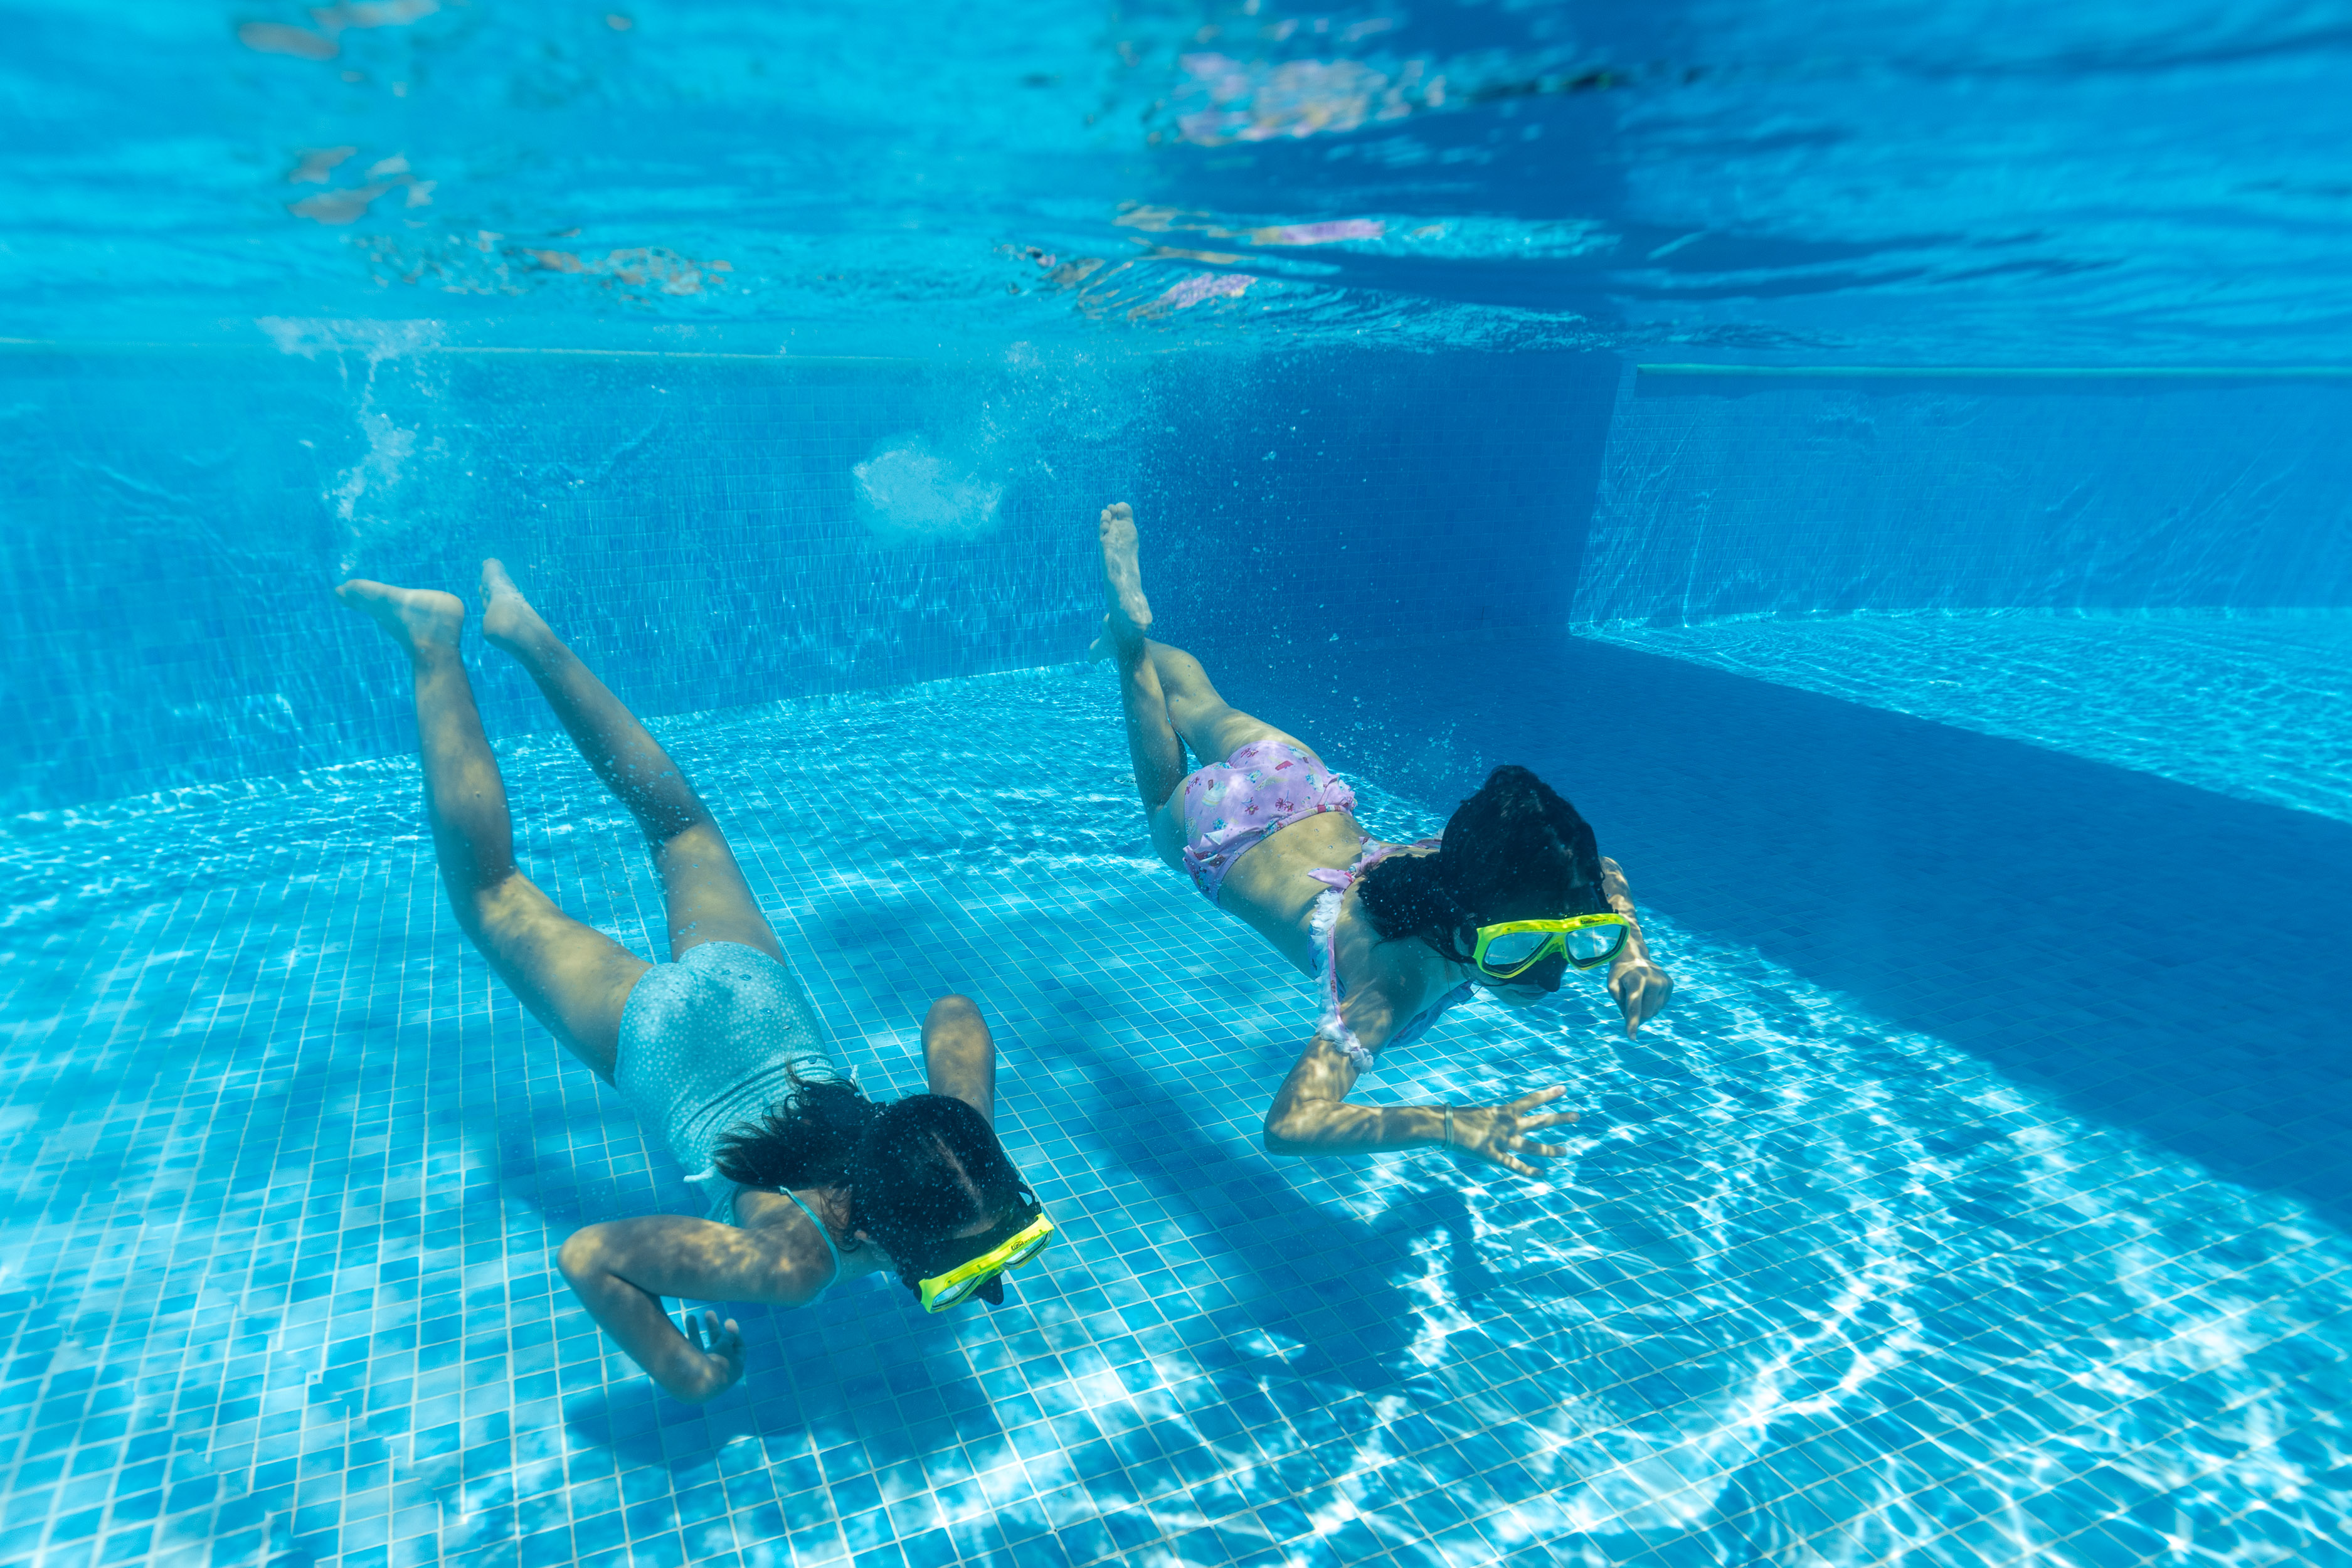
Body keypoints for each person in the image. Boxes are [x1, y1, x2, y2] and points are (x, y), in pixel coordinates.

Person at [337, 561, 1052, 1404]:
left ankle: (528, 636)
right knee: (492, 893)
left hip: (753, 999)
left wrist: (961, 1136)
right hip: (659, 1043)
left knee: (678, 826)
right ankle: (432, 645)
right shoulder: (791, 1266)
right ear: (878, 1231)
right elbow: (588, 1256)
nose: (983, 1281)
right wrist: (687, 1373)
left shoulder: (946, 1141)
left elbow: (953, 1013)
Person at [1092, 502, 1674, 1178]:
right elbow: (1291, 1123)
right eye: (1515, 948)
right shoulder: (1397, 981)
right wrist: (1452, 1124)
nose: (1547, 972)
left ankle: (1136, 628)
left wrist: (1629, 951)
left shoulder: (1466, 865)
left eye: (1568, 938)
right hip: (1224, 830)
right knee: (1162, 795)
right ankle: (1129, 645)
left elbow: (1598, 870)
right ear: (1466, 924)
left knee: (1201, 702)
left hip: (1293, 780)